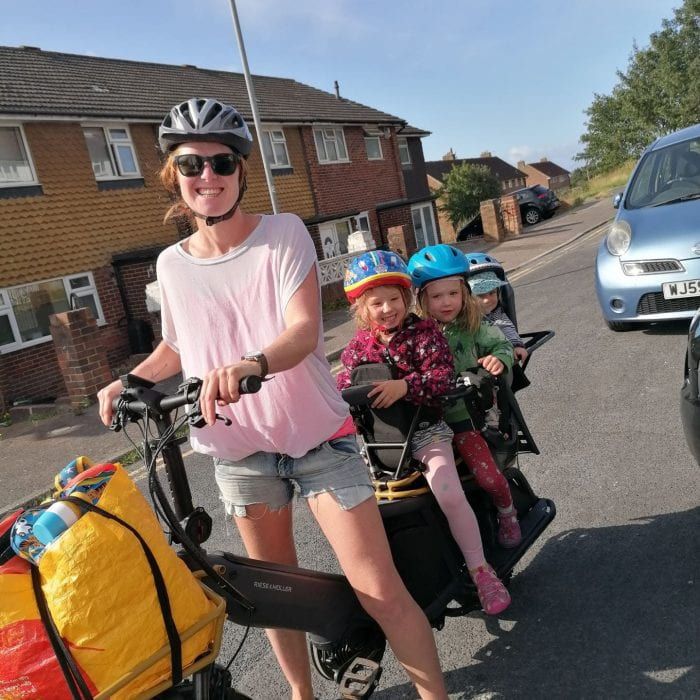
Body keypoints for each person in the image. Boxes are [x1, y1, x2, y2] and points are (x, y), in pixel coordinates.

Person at [97, 98, 447, 700]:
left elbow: (302, 331)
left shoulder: (283, 235)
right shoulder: (171, 265)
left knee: (379, 590)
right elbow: (177, 347)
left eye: (221, 163)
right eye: (191, 165)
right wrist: (128, 381)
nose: (207, 177)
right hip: (240, 455)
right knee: (273, 601)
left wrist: (251, 364)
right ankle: (301, 696)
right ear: (173, 174)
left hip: (317, 439)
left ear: (241, 170)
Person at [337, 250, 511, 615]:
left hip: (427, 432)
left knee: (448, 493)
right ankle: (381, 586)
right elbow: (342, 383)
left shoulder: (425, 333)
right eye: (376, 303)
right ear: (361, 309)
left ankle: (481, 571)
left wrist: (406, 386)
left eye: (394, 300)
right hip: (379, 443)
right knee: (354, 510)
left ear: (407, 299)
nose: (387, 309)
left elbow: (441, 376)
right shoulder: (356, 348)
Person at [409, 245, 522, 549]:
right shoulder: (415, 332)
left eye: (453, 294)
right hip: (425, 424)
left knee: (488, 479)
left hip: (464, 416)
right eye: (437, 296)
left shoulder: (475, 325)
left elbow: (502, 347)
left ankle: (507, 510)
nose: (446, 302)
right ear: (422, 299)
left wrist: (499, 359)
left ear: (464, 294)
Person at [468, 270, 528, 364]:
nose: (487, 300)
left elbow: (506, 328)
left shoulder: (496, 313)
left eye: (492, 293)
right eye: (480, 295)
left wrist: (516, 345)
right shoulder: (465, 318)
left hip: (499, 358)